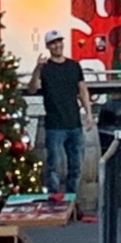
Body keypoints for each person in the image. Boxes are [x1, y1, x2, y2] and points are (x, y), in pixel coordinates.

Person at [28, 31, 88, 199]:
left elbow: (82, 90)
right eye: (53, 43)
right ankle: (54, 199)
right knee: (53, 167)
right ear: (48, 46)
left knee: (76, 167)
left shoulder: (74, 66)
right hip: (54, 125)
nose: (57, 46)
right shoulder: (45, 68)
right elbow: (32, 89)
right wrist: (37, 68)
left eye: (59, 41)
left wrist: (89, 113)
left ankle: (72, 200)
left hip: (75, 123)